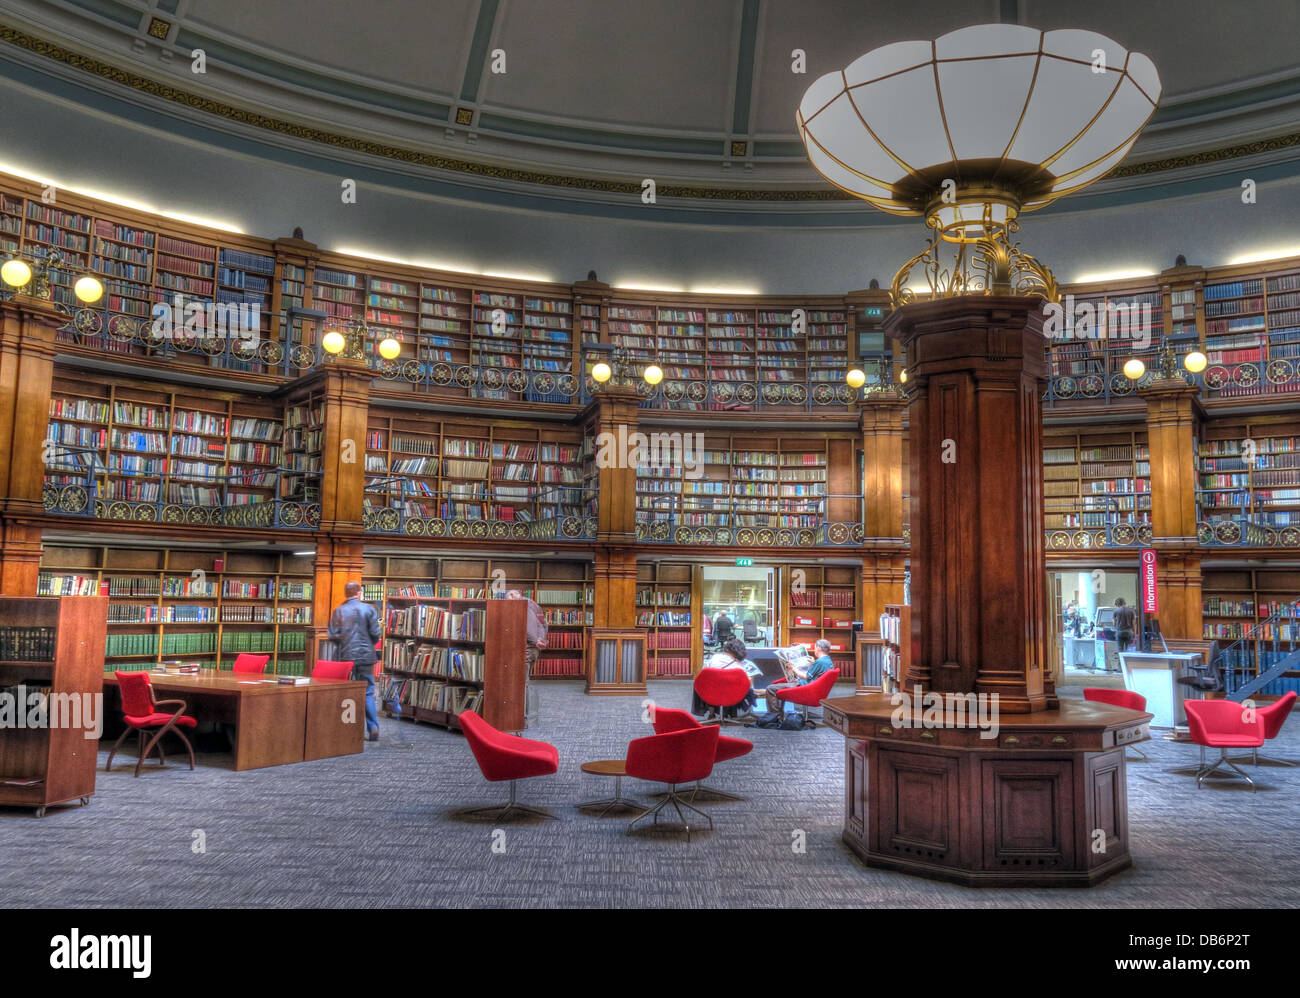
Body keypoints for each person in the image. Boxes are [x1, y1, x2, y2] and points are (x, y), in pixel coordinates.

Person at [328, 581, 382, 742]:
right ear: (359, 593)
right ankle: (373, 727)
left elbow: (332, 634)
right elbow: (375, 633)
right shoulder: (369, 609)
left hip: (345, 657)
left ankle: (348, 728)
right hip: (366, 657)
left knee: (345, 692)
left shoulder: (339, 611)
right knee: (368, 691)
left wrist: (343, 640)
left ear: (346, 593)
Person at [765, 638, 834, 715]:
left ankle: (774, 715)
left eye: (815, 648)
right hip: (811, 686)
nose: (814, 650)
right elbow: (819, 672)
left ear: (818, 648)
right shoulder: (828, 661)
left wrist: (793, 668)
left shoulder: (820, 662)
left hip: (804, 686)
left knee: (770, 688)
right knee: (780, 685)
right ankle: (778, 714)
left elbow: (806, 677)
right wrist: (813, 663)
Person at [702, 636, 759, 719]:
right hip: (731, 693)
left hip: (711, 691)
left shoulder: (716, 657)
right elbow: (747, 684)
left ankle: (712, 713)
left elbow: (705, 673)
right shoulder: (739, 667)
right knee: (745, 689)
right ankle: (730, 713)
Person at [506, 589, 548, 677]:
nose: (509, 605)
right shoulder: (535, 605)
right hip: (535, 649)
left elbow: (528, 628)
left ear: (512, 595)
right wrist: (541, 639)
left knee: (520, 682)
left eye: (508, 600)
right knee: (525, 679)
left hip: (527, 649)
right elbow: (543, 625)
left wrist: (536, 641)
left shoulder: (521, 606)